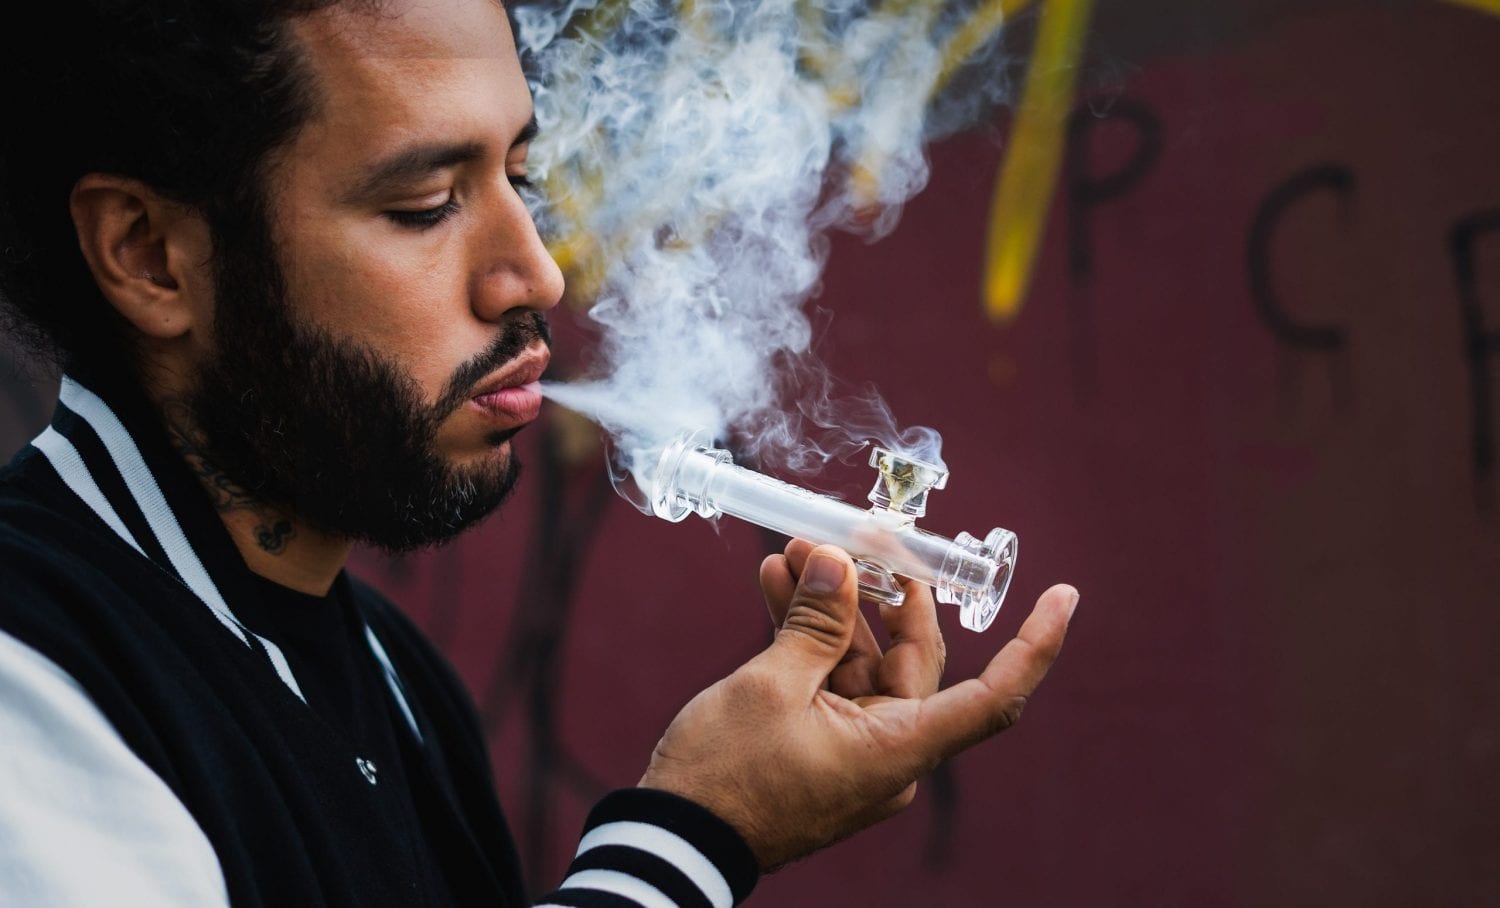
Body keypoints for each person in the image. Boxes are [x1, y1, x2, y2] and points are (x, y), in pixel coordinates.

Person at [0, 0, 1080, 905]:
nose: (534, 274)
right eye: (424, 206)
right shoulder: (28, 681)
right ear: (150, 256)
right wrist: (691, 836)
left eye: (520, 174)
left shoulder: (394, 673)